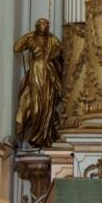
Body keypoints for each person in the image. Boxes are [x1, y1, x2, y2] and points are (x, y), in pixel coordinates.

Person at [14, 19, 63, 149]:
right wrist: (29, 34)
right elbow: (17, 47)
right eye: (42, 24)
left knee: (48, 105)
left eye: (47, 24)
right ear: (36, 26)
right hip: (36, 71)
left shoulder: (53, 40)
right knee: (36, 106)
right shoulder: (31, 39)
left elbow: (62, 54)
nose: (45, 26)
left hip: (49, 74)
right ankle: (36, 136)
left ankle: (44, 137)